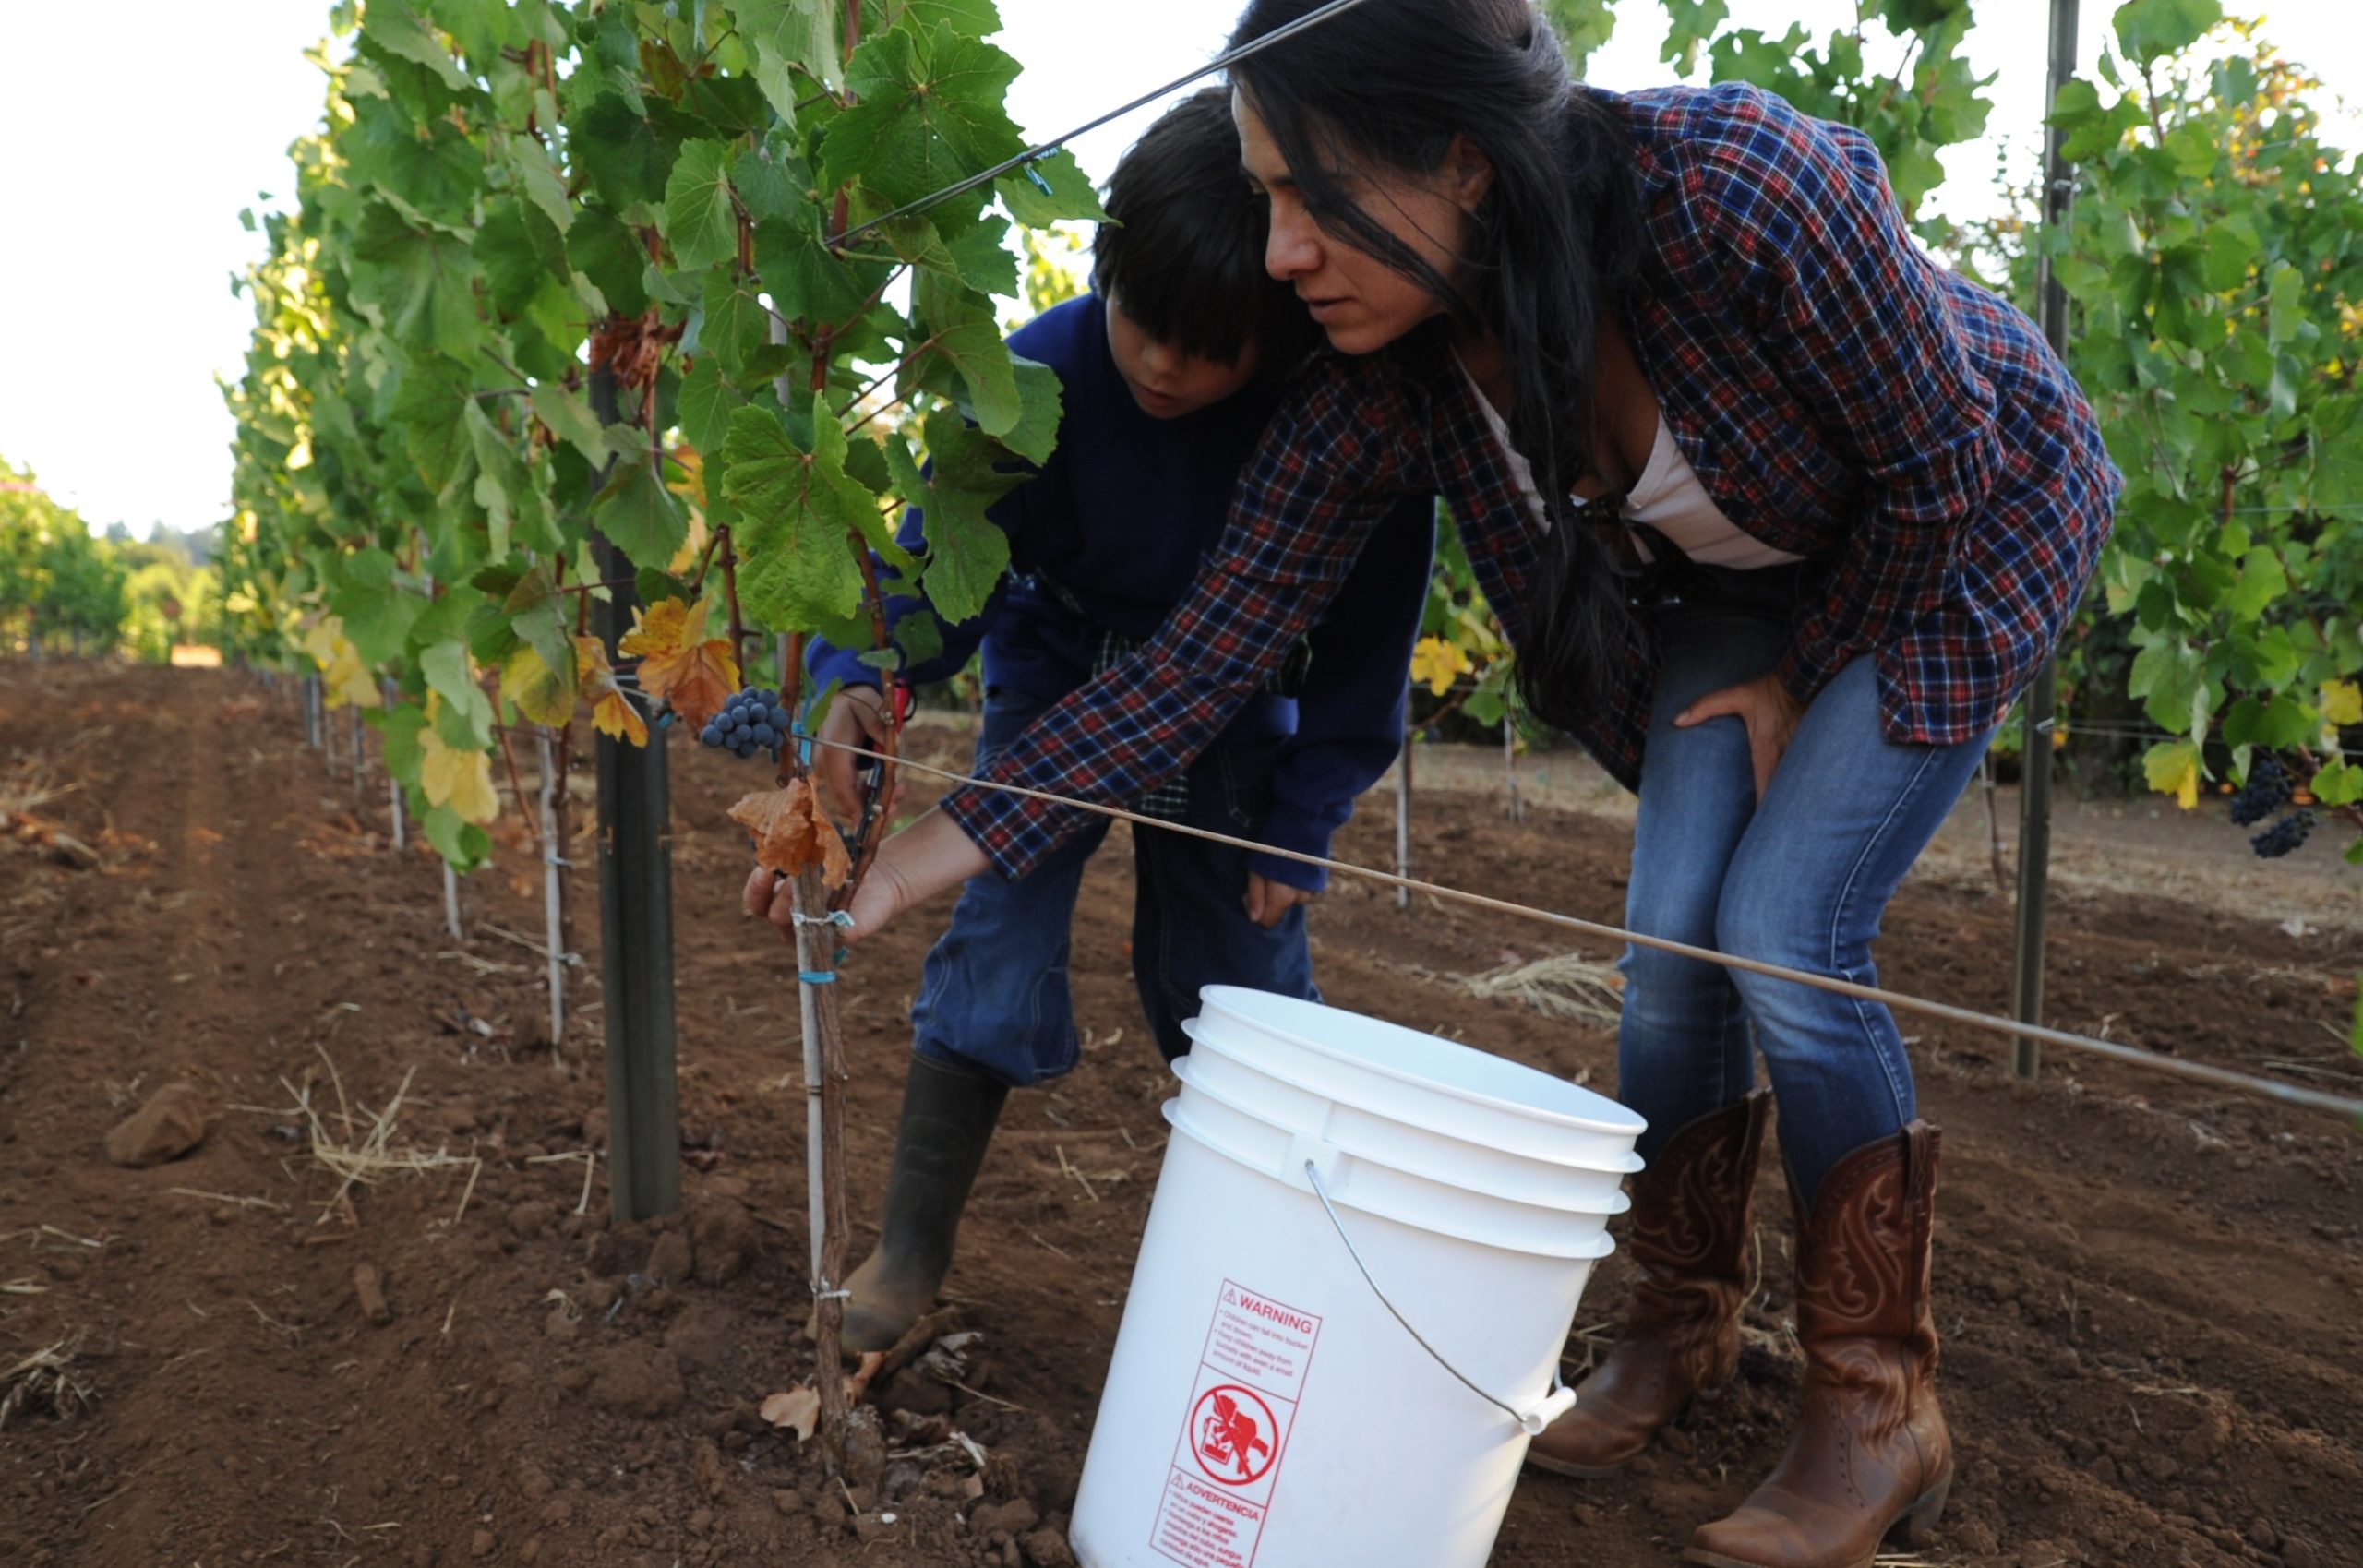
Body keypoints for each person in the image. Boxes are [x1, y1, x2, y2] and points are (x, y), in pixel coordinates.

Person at [774, 3, 2122, 1561]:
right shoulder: (1390, 380)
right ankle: (1682, 1329)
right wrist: (917, 857)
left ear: (1461, 163)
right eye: (1262, 197)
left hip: (1950, 535)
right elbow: (1201, 662)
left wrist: (1814, 674)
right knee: (1675, 952)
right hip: (1738, 595)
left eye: (1304, 193)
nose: (1280, 254)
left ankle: (1880, 1409)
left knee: (1783, 933)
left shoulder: (1738, 187)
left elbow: (1941, 458)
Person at [760, 88, 1434, 1354]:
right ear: (1100, 265)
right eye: (1144, 324)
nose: (1166, 367)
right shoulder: (1033, 378)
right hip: (1059, 674)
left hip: (1234, 704)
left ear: (1283, 334)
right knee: (997, 939)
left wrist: (1306, 819)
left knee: (1235, 988)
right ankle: (908, 1252)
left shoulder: (1333, 425)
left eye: (1211, 348)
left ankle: (1268, 1276)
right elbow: (932, 570)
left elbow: (1366, 648)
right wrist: (863, 680)